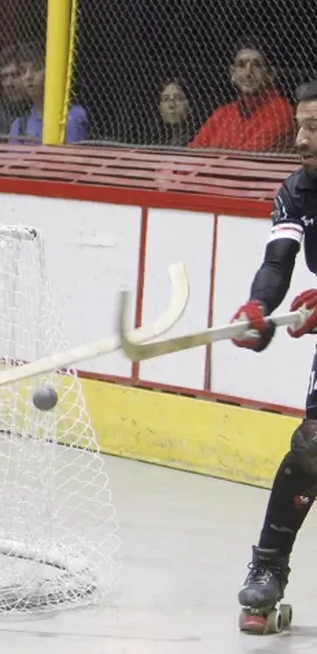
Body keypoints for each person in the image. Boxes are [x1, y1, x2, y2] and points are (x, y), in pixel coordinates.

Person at [230, 80, 317, 633]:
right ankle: (267, 569)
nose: (300, 139)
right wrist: (259, 308)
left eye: (314, 129)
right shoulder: (296, 190)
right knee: (313, 447)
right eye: (301, 125)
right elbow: (279, 263)